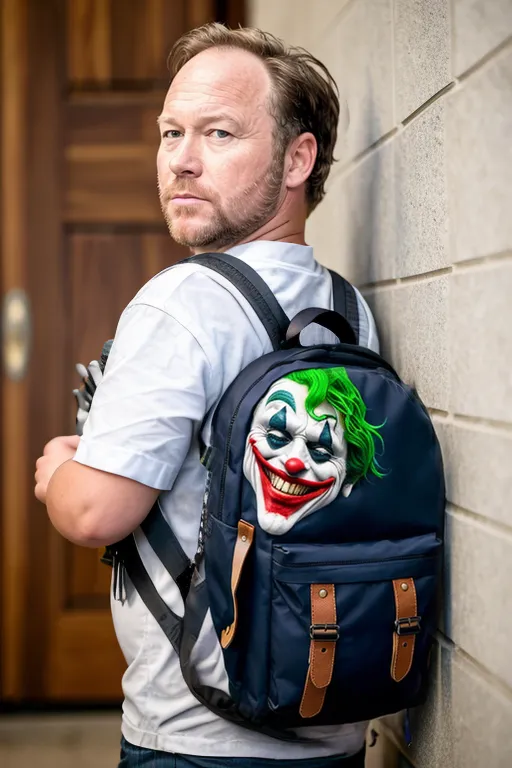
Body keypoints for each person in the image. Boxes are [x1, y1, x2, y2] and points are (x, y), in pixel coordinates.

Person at [34, 24, 378, 767]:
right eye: (170, 133)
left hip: (196, 736)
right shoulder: (347, 310)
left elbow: (97, 512)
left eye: (218, 133)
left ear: (298, 158)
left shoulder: (181, 304)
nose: (181, 162)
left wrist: (58, 472)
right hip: (334, 723)